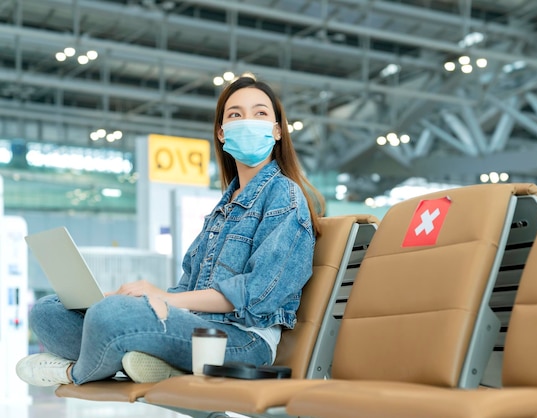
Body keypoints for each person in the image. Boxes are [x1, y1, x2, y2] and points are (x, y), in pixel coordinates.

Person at [16, 74, 325, 386]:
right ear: (221, 132)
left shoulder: (284, 197)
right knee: (48, 311)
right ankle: (141, 361)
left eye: (260, 113)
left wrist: (160, 299)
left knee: (110, 317)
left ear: (276, 130)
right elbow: (188, 290)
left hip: (242, 342)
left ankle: (72, 373)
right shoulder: (223, 208)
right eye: (235, 115)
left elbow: (259, 295)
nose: (248, 121)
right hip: (192, 328)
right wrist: (134, 298)